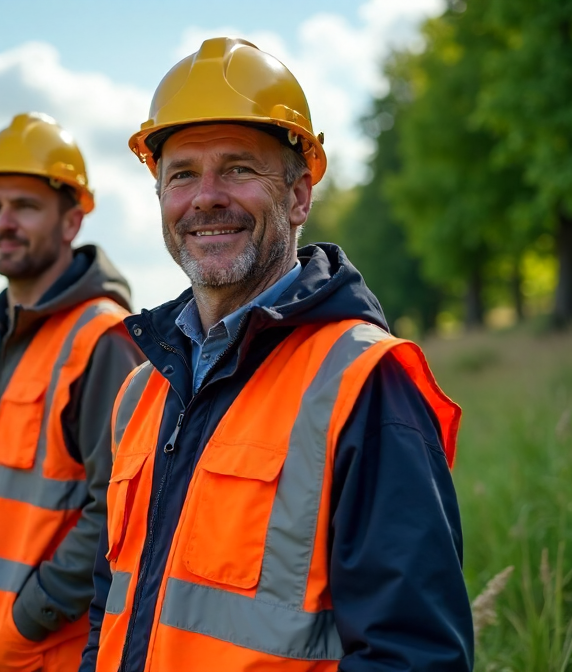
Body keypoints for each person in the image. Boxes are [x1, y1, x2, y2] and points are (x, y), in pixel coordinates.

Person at [80, 37, 473, 672]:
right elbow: (111, 607)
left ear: (298, 197)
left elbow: (414, 655)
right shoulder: (141, 393)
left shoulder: (364, 385)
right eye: (181, 173)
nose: (206, 196)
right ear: (159, 199)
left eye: (238, 168)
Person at [0, 112, 145, 672]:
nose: (3, 223)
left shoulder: (102, 339)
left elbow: (119, 512)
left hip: (45, 652)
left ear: (72, 221)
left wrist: (28, 618)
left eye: (24, 207)